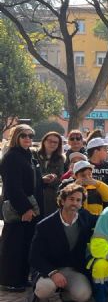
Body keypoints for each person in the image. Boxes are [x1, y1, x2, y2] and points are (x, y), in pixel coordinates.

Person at [29, 184, 97, 302]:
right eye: (71, 199)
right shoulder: (45, 225)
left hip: (73, 269)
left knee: (83, 295)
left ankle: (66, 297)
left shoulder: (85, 217)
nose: (75, 203)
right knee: (44, 289)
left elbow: (105, 220)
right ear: (62, 200)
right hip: (48, 270)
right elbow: (34, 256)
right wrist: (52, 273)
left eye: (78, 200)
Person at [0, 124, 44, 292]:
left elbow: (29, 180)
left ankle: (20, 278)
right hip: (19, 208)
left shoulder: (28, 155)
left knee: (25, 244)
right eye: (24, 135)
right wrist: (25, 208)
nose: (28, 139)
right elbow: (13, 187)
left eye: (30, 136)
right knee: (13, 245)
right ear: (16, 137)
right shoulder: (12, 157)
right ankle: (9, 280)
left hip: (31, 208)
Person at [34, 131, 65, 218]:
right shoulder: (34, 154)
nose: (52, 144)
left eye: (55, 142)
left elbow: (60, 179)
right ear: (44, 141)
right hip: (35, 194)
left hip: (51, 197)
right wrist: (42, 179)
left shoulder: (60, 159)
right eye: (50, 140)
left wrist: (52, 179)